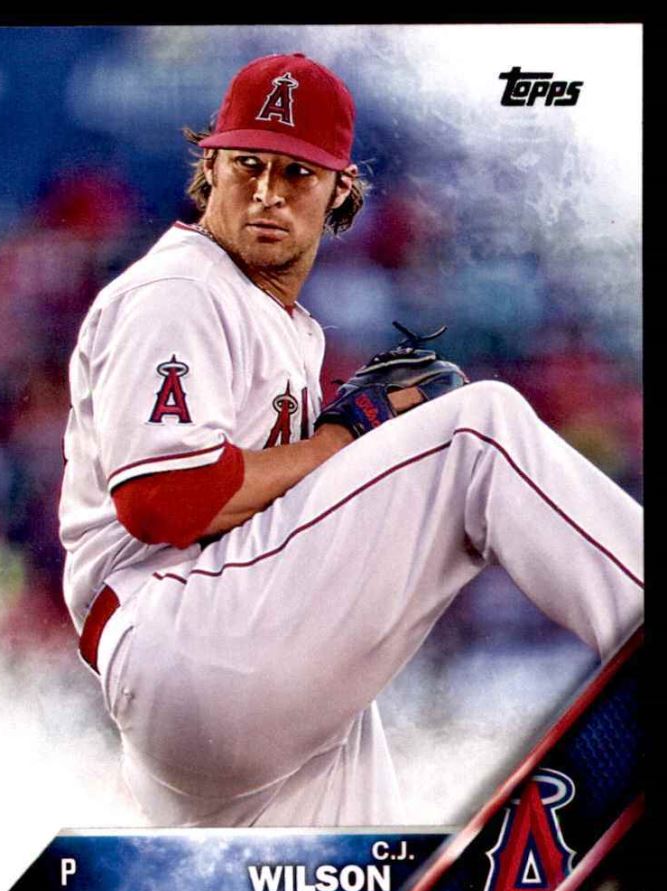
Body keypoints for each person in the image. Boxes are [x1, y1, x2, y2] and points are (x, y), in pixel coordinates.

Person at [59, 53, 643, 826]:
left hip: (215, 683)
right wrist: (341, 438)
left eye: (296, 173)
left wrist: (347, 448)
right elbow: (163, 500)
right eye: (247, 165)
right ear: (209, 168)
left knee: (352, 874)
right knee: (479, 431)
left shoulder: (275, 319)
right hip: (180, 637)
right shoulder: (180, 287)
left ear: (340, 190)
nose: (267, 192)